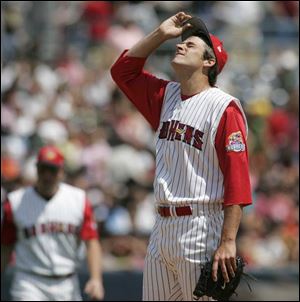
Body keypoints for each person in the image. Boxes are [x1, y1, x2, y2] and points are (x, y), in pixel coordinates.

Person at [110, 12, 252, 301]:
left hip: (201, 225)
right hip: (162, 227)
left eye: (192, 45)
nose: (181, 45)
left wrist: (227, 241)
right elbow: (122, 72)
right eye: (182, 42)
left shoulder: (223, 107)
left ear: (209, 62)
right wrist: (160, 34)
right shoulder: (166, 97)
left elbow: (237, 177)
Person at [1, 145, 105, 301]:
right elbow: (6, 246)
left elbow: (91, 242)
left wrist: (96, 279)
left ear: (62, 171)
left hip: (67, 282)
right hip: (29, 281)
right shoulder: (15, 202)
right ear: (36, 169)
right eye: (43, 169)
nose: (47, 175)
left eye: (52, 170)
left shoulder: (78, 199)